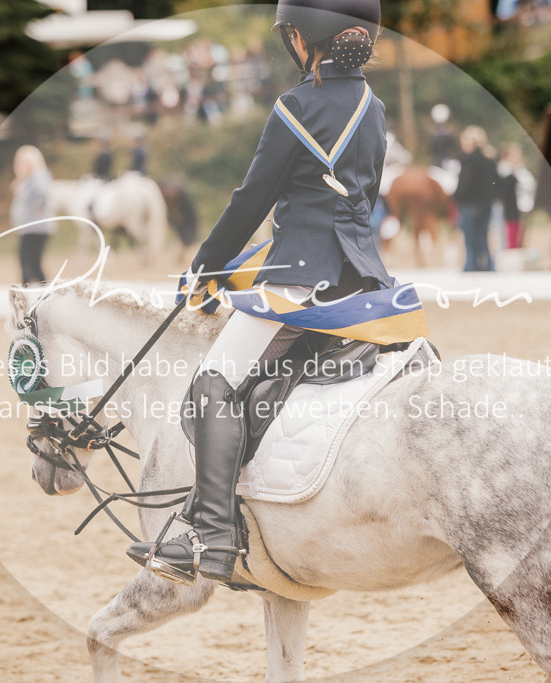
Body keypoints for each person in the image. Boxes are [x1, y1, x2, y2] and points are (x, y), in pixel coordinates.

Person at [126, 0, 405, 584]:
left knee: (213, 382)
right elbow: (361, 198)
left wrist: (205, 265)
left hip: (300, 283)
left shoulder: (294, 107)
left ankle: (211, 536)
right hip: (363, 282)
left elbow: (251, 200)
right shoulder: (374, 108)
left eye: (294, 36)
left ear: (309, 40)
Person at [454, 125, 498, 271]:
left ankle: (471, 268)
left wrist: (456, 197)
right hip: (486, 205)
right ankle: (488, 267)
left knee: (470, 239)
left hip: (470, 204)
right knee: (483, 237)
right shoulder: (489, 159)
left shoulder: (469, 160)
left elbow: (466, 184)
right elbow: (495, 183)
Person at [9, 145, 56, 284]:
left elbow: (42, 193)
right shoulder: (29, 180)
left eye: (28, 162)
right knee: (34, 263)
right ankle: (46, 292)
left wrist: (38, 205)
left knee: (26, 262)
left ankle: (25, 293)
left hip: (35, 227)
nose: (26, 166)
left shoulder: (39, 177)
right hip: (30, 227)